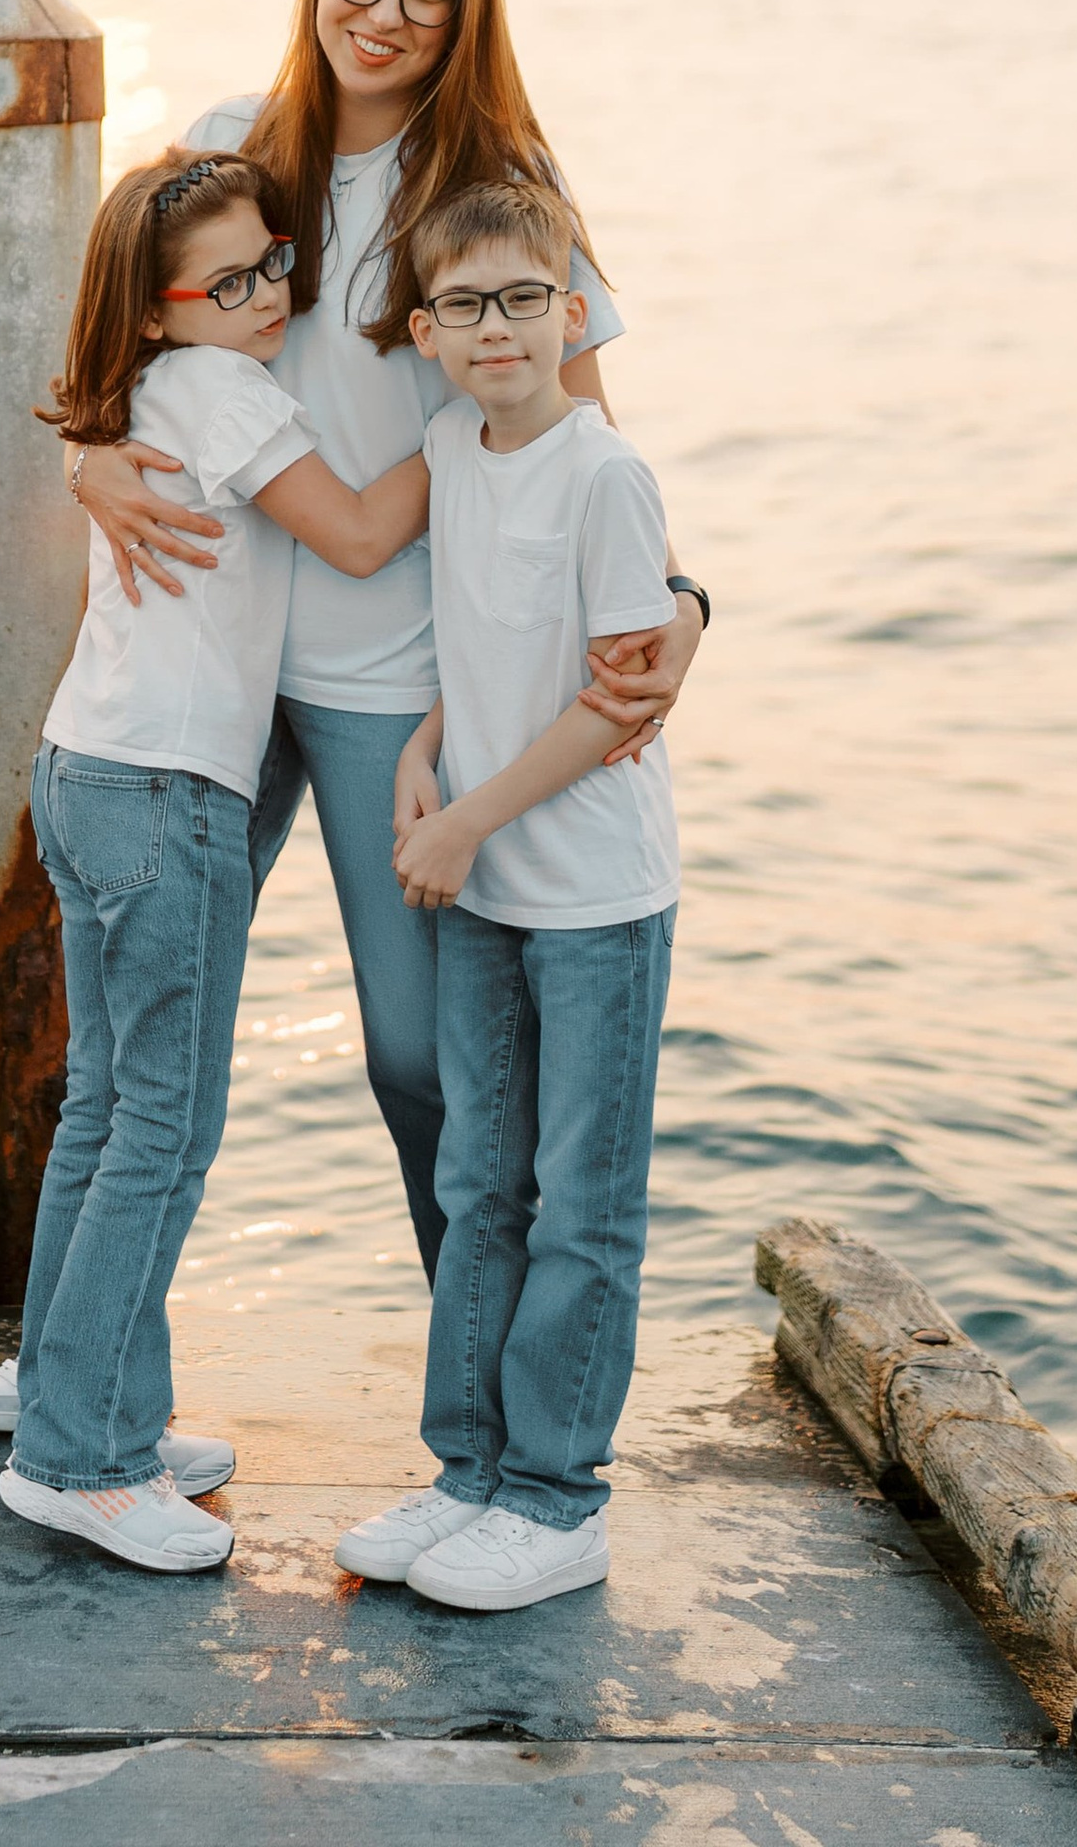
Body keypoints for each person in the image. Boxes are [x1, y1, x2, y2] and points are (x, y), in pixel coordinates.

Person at [61, 0, 706, 1565]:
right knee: (140, 1053)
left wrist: (684, 601)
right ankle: (79, 1383)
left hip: (393, 690)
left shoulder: (495, 188)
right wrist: (82, 455)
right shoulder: (232, 139)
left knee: (428, 1060)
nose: (387, 10)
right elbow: (124, 340)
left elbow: (583, 428)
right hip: (216, 663)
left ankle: (495, 1443)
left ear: (464, 9)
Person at [0, 146, 434, 1574]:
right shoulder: (225, 390)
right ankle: (80, 1461)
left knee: (105, 1108)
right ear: (163, 302)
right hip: (165, 796)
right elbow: (358, 534)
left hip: (82, 768)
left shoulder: (143, 388)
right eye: (228, 281)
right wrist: (492, 425)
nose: (266, 295)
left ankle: (79, 1399)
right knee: (161, 1131)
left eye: (275, 265)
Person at [347, 177, 682, 1611]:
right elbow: (477, 645)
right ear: (427, 329)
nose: (500, 328)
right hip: (482, 884)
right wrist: (428, 749)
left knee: (579, 1199)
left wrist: (469, 817)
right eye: (467, 304)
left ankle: (558, 1498)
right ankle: (470, 1470)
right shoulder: (451, 448)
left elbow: (618, 704)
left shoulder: (606, 474)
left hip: (592, 893)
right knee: (478, 1179)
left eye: (526, 299)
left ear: (574, 311)